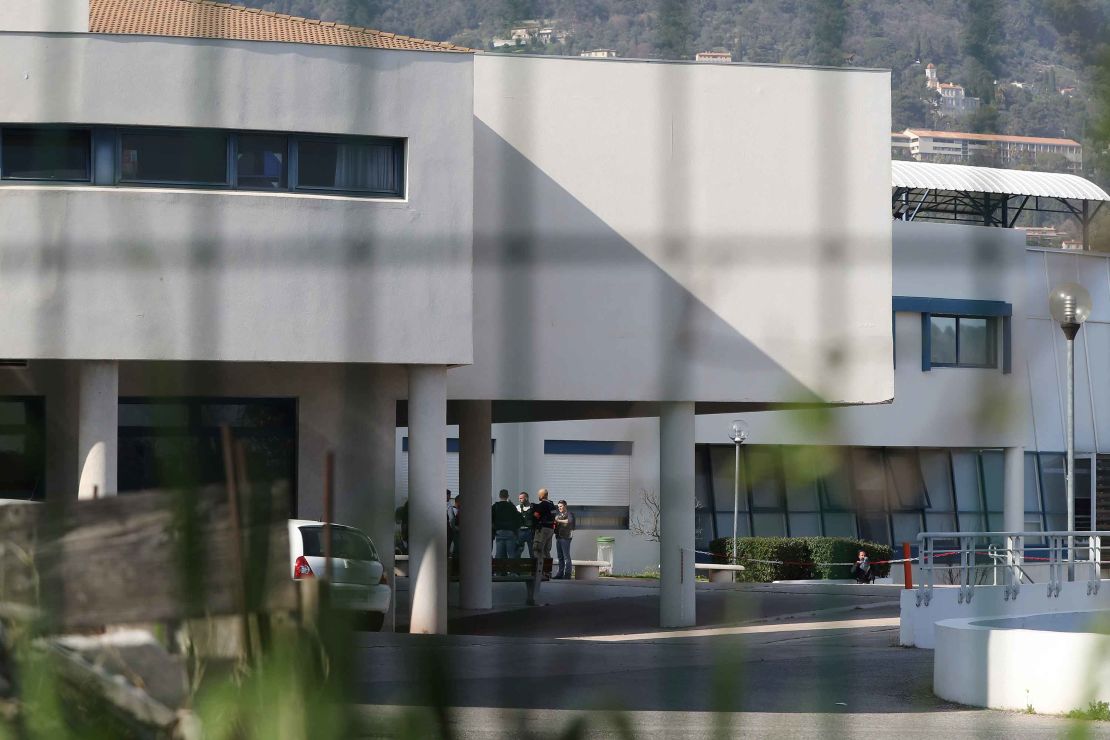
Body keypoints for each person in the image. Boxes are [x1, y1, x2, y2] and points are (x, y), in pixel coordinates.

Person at [531, 488, 558, 570]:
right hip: (550, 530)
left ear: (542, 495)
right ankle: (547, 571)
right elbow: (553, 516)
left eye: (539, 495)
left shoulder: (543, 504)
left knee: (538, 549)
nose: (538, 496)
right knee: (546, 551)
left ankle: (540, 571)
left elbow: (536, 515)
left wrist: (532, 510)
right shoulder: (552, 504)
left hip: (543, 529)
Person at [491, 489, 519, 560]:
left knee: (500, 555)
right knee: (512, 554)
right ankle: (512, 570)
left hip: (499, 532)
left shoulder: (495, 506)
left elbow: (491, 519)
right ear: (508, 496)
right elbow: (517, 518)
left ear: (499, 496)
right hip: (510, 532)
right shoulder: (511, 506)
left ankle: (500, 571)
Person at [554, 499, 575, 579]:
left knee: (566, 557)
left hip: (566, 538)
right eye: (558, 506)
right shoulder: (558, 515)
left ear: (565, 506)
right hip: (558, 537)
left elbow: (569, 521)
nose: (559, 508)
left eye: (561, 506)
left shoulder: (569, 514)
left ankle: (567, 574)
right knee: (560, 557)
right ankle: (560, 574)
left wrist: (558, 520)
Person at [516, 491, 533, 558]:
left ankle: (533, 567)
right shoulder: (517, 507)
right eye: (519, 498)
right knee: (518, 551)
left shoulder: (532, 507)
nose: (520, 500)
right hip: (520, 531)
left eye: (521, 498)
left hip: (530, 531)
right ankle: (517, 567)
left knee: (532, 550)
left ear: (526, 498)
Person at [446, 489, 458, 558]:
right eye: (449, 495)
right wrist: (454, 528)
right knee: (447, 548)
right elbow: (451, 519)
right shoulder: (448, 506)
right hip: (448, 530)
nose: (449, 497)